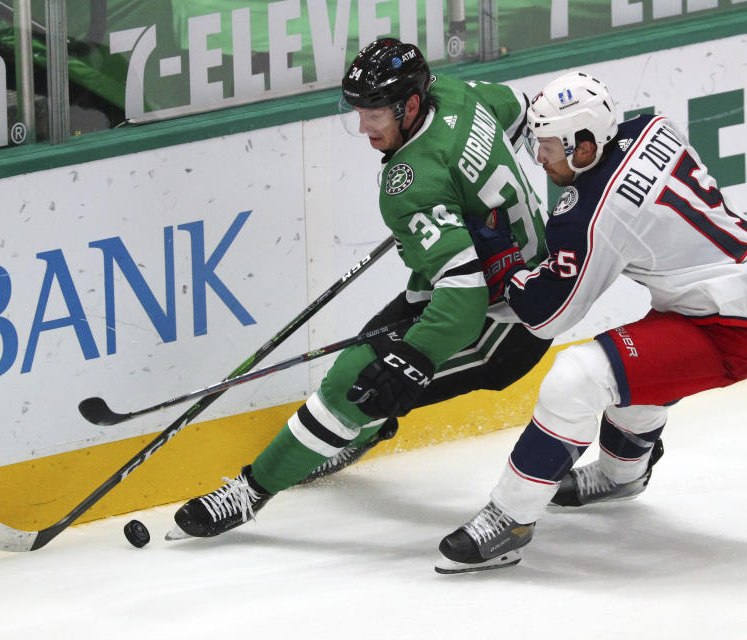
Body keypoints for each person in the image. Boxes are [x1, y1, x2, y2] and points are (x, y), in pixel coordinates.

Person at [168, 38, 554, 540]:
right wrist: (462, 204)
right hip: (516, 277)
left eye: (374, 115)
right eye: (359, 112)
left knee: (353, 383)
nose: (363, 127)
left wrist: (412, 359)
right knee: (372, 344)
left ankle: (248, 493)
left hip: (506, 326)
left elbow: (463, 305)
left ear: (411, 105)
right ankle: (362, 426)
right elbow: (525, 113)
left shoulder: (408, 183)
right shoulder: (461, 95)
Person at [434, 71, 747, 574]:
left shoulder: (592, 214)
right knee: (629, 365)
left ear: (585, 143)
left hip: (734, 328)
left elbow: (548, 315)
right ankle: (623, 477)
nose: (541, 158)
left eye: (551, 147)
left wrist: (505, 264)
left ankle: (509, 520)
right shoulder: (650, 126)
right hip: (735, 292)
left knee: (577, 378)